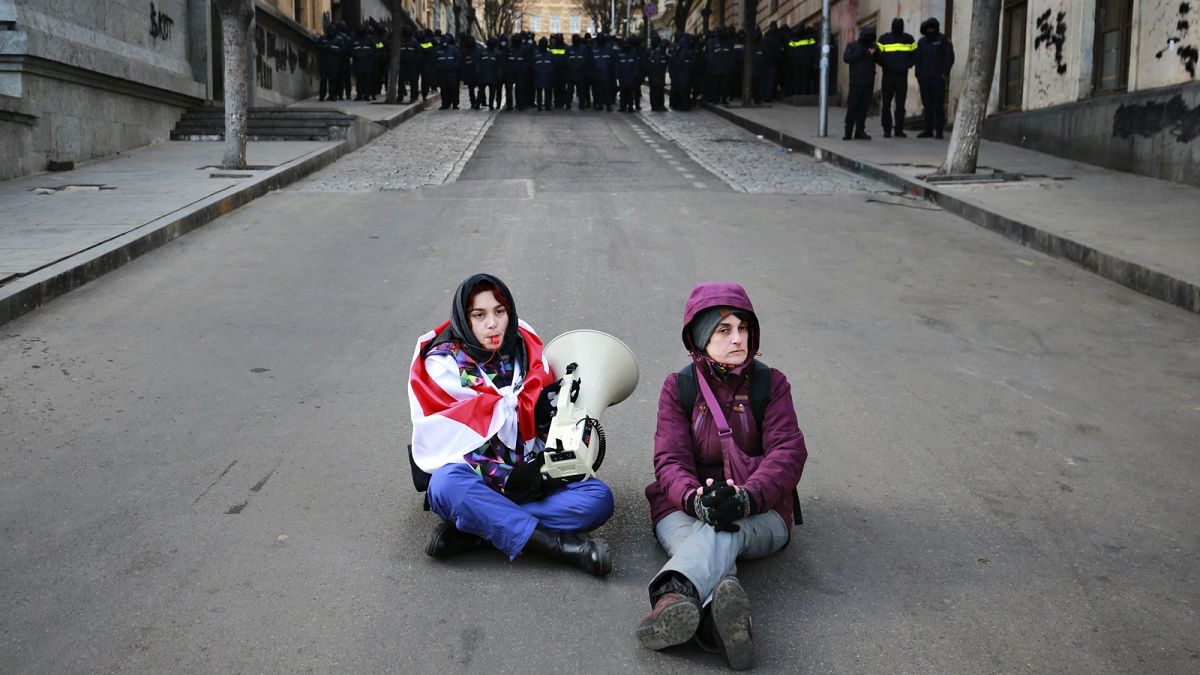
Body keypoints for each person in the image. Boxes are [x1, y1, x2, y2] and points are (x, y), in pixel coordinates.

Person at [636, 282, 807, 671]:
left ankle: (673, 595)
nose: (738, 339)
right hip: (683, 509)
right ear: (700, 338)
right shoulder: (678, 387)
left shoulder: (771, 384)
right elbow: (669, 460)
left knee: (723, 529)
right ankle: (717, 625)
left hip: (761, 511)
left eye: (743, 328)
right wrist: (697, 499)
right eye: (724, 330)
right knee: (712, 534)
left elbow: (788, 453)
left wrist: (746, 498)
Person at [408, 274, 615, 575]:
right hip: (480, 481)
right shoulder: (441, 365)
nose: (492, 324)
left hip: (530, 477)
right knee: (445, 485)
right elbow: (452, 445)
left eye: (499, 312)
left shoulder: (525, 350)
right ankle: (562, 546)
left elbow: (541, 425)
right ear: (464, 320)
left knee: (598, 499)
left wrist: (549, 418)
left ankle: (477, 528)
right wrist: (513, 478)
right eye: (479, 315)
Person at [914, 17, 955, 138]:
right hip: (925, 78)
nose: (930, 30)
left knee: (938, 105)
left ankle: (939, 131)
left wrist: (944, 74)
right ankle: (928, 130)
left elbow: (949, 57)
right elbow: (918, 59)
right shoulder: (922, 42)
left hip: (937, 78)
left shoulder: (942, 40)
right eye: (928, 28)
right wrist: (919, 75)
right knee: (927, 105)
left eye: (932, 28)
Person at [876, 17, 916, 137]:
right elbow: (878, 55)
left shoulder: (909, 39)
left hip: (901, 76)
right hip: (888, 75)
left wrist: (908, 65)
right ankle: (887, 130)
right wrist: (886, 64)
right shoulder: (884, 39)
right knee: (887, 104)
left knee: (900, 104)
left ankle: (898, 129)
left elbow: (915, 55)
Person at [842, 27, 877, 140]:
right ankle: (848, 131)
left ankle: (860, 131)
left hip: (868, 83)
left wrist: (875, 53)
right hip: (856, 83)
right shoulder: (853, 46)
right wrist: (863, 53)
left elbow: (881, 60)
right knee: (853, 107)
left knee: (863, 109)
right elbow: (847, 58)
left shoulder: (873, 47)